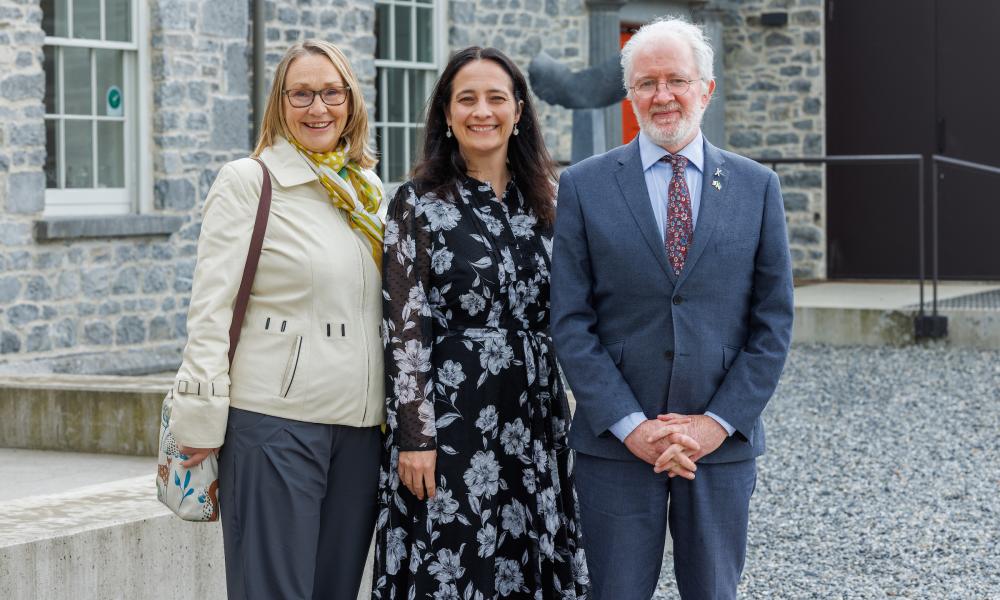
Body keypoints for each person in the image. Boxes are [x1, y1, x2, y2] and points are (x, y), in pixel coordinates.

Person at [550, 17, 794, 600]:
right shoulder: (583, 187)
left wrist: (714, 426)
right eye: (647, 83)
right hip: (615, 446)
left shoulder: (758, 187)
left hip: (720, 444)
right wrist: (634, 429)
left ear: (706, 89)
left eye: (677, 80)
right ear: (629, 94)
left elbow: (774, 323)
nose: (662, 96)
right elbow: (571, 322)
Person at [167, 40, 385, 600]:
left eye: (331, 92)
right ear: (279, 104)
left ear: (351, 101)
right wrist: (198, 416)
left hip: (360, 430)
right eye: (302, 94)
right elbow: (211, 307)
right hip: (275, 423)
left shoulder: (367, 192)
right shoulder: (248, 181)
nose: (319, 108)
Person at [372, 46, 589, 599]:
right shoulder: (415, 203)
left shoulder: (552, 202)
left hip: (534, 416)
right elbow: (403, 326)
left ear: (519, 111)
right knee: (454, 562)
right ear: (446, 114)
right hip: (450, 422)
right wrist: (415, 436)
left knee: (528, 557)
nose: (482, 111)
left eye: (496, 98)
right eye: (466, 99)